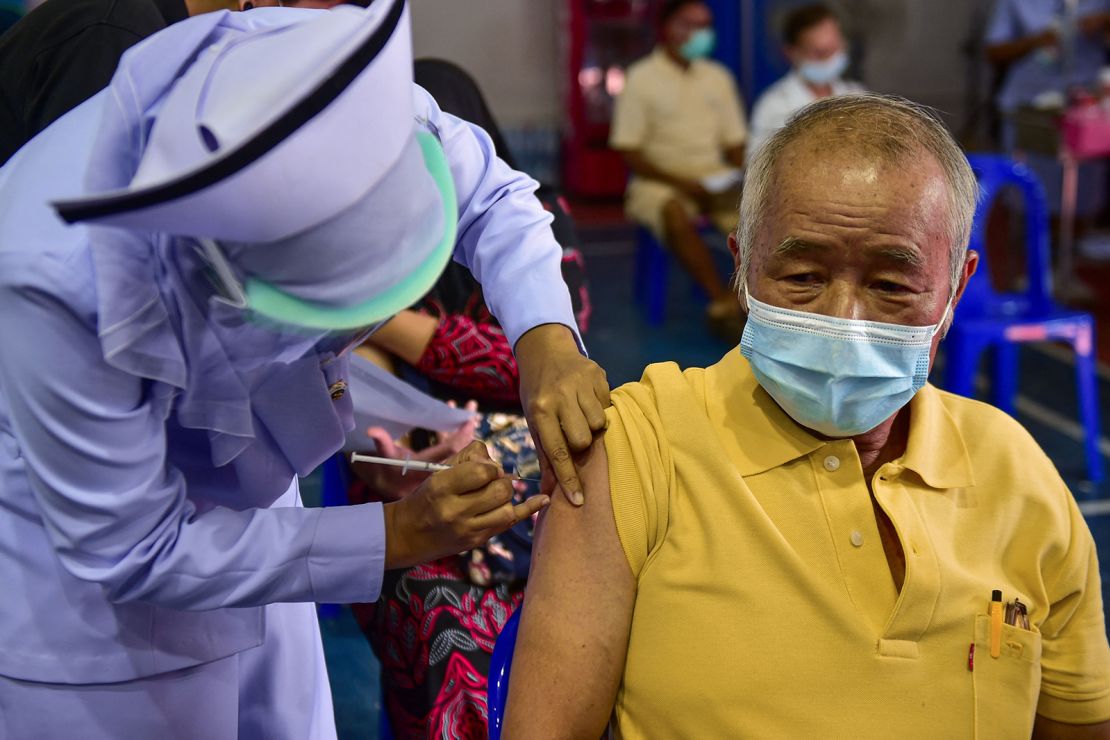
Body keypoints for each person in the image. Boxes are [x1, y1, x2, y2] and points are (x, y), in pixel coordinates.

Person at [0, 3, 607, 738]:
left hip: (257, 511)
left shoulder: (328, 92)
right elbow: (134, 548)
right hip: (97, 604)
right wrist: (397, 536)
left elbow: (496, 196)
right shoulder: (54, 281)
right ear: (233, 286)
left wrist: (546, 342)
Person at [505, 94, 1110, 738]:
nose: (841, 320)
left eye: (890, 286)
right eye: (802, 275)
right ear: (740, 267)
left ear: (956, 289)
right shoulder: (638, 450)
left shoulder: (1020, 480)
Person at [610, 0, 748, 340]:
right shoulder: (641, 79)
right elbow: (629, 150)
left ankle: (746, 301)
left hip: (713, 178)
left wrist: (733, 173)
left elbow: (735, 142)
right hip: (658, 180)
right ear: (667, 27)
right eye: (689, 24)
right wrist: (682, 183)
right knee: (672, 212)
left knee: (759, 214)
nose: (699, 34)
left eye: (705, 25)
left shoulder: (718, 78)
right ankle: (720, 300)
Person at [747, 3, 864, 164]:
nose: (829, 59)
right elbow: (756, 167)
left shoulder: (857, 95)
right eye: (820, 52)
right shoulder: (774, 105)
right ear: (791, 52)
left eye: (834, 49)